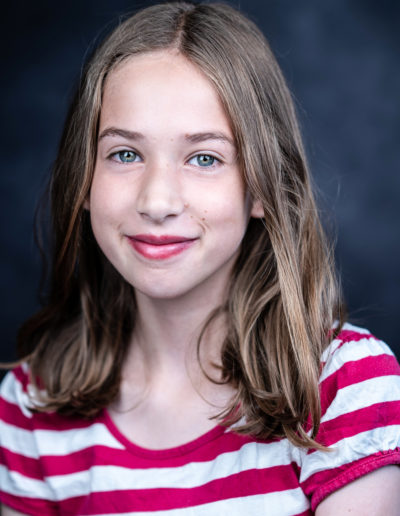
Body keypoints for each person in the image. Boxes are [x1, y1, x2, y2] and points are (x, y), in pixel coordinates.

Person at [0, 2, 399, 515]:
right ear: (83, 180)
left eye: (204, 158)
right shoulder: (31, 408)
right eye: (125, 153)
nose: (157, 202)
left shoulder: (342, 388)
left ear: (261, 189)